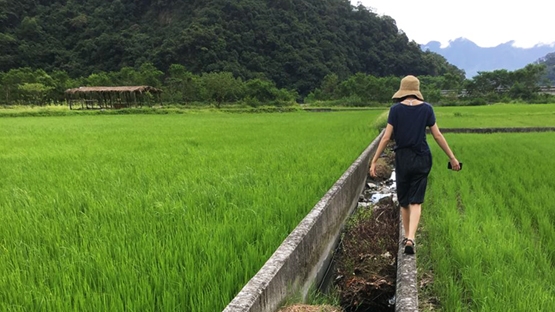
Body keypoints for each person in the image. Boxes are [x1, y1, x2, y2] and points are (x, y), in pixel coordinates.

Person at [369, 75, 461, 255]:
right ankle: (411, 237)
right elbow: (437, 135)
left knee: (404, 202)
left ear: (402, 91)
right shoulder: (427, 109)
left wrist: (374, 160)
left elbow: (387, 137)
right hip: (422, 157)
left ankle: (406, 238)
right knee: (416, 200)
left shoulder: (395, 110)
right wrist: (452, 157)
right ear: (417, 91)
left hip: (402, 158)